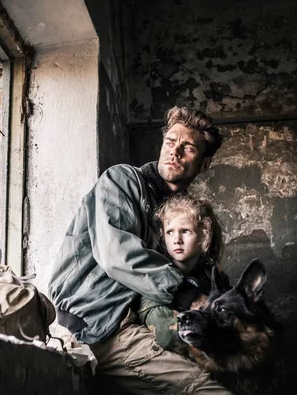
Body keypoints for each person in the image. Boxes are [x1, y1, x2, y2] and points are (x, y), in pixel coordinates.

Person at [48, 106, 230, 394]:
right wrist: (189, 295)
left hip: (135, 323)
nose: (175, 152)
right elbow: (118, 254)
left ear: (204, 163)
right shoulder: (122, 180)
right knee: (210, 391)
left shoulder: (177, 213)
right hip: (100, 325)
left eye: (188, 148)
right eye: (170, 142)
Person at [137, 195, 230, 359]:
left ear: (204, 235)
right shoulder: (155, 275)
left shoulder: (215, 277)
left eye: (185, 231)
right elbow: (165, 332)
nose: (176, 240)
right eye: (169, 232)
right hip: (173, 355)